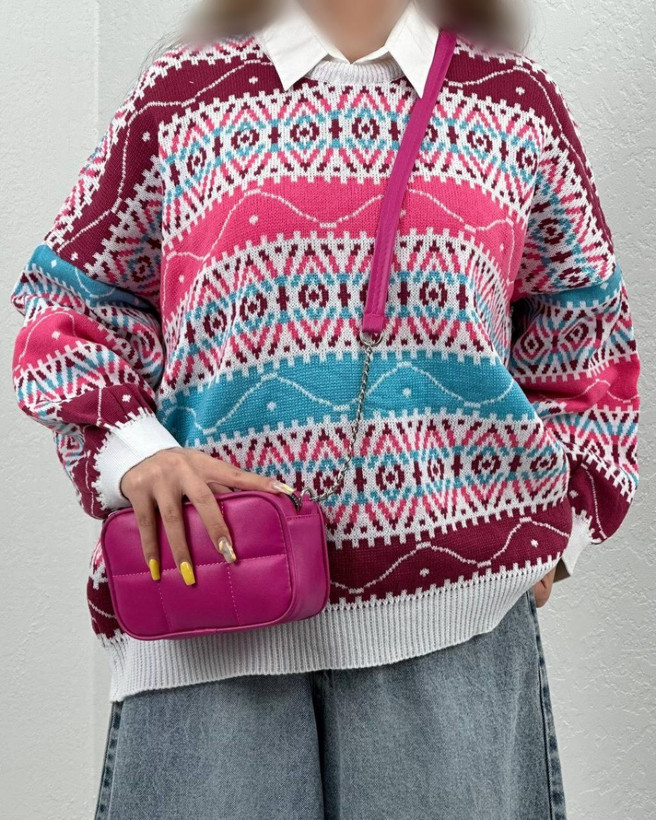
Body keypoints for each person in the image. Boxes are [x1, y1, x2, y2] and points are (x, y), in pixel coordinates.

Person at [9, 0, 641, 817]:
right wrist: (131, 449)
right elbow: (68, 298)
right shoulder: (182, 92)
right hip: (209, 616)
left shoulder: (515, 100)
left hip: (457, 627)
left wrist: (568, 525)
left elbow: (587, 328)